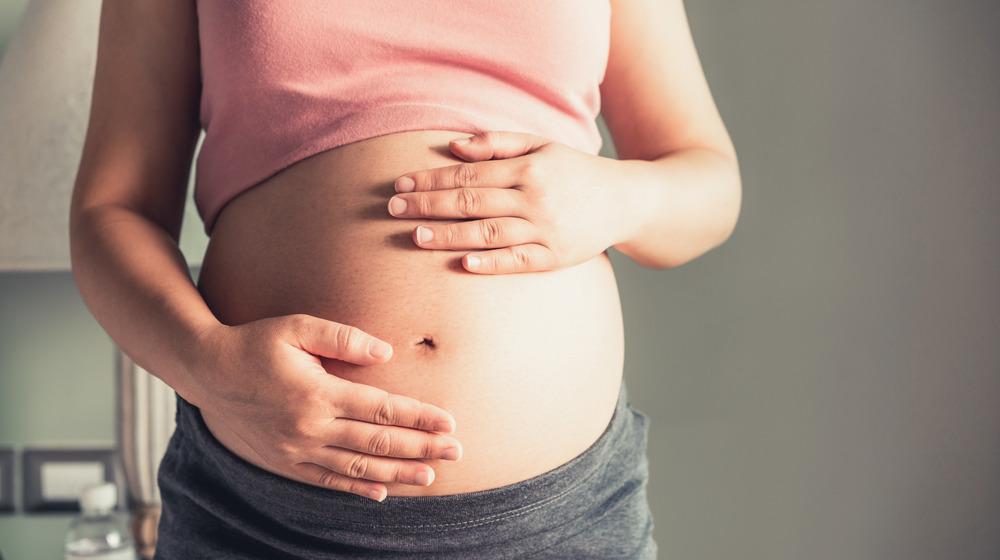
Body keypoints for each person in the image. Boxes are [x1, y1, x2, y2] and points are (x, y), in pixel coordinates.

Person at [70, 0, 740, 558]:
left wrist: (616, 198)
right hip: (263, 519)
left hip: (559, 522)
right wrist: (206, 363)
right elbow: (111, 209)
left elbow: (710, 182)